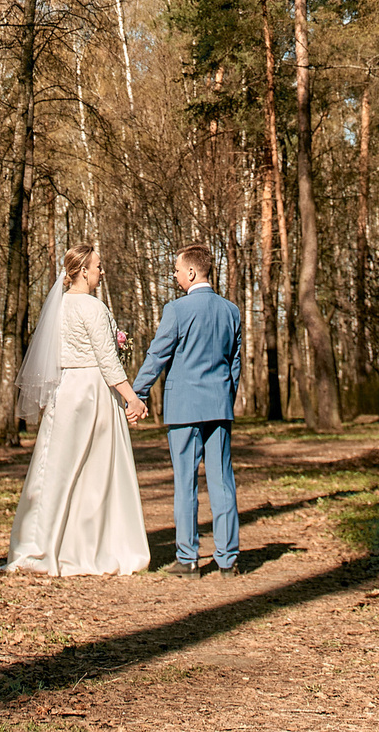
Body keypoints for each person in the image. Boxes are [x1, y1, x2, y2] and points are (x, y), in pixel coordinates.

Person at [7, 243, 151, 575]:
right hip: (92, 393)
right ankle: (92, 546)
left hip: (64, 391)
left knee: (57, 469)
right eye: (99, 266)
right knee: (96, 473)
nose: (102, 271)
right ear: (84, 270)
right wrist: (132, 397)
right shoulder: (93, 307)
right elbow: (107, 361)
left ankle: (44, 542)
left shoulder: (58, 307)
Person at [131, 244, 244, 576]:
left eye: (178, 270)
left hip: (183, 410)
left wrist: (137, 394)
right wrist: (225, 395)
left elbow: (157, 356)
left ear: (192, 272)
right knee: (222, 481)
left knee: (186, 483)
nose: (176, 275)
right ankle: (228, 560)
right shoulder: (231, 311)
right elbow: (234, 365)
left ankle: (188, 558)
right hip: (219, 407)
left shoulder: (177, 310)